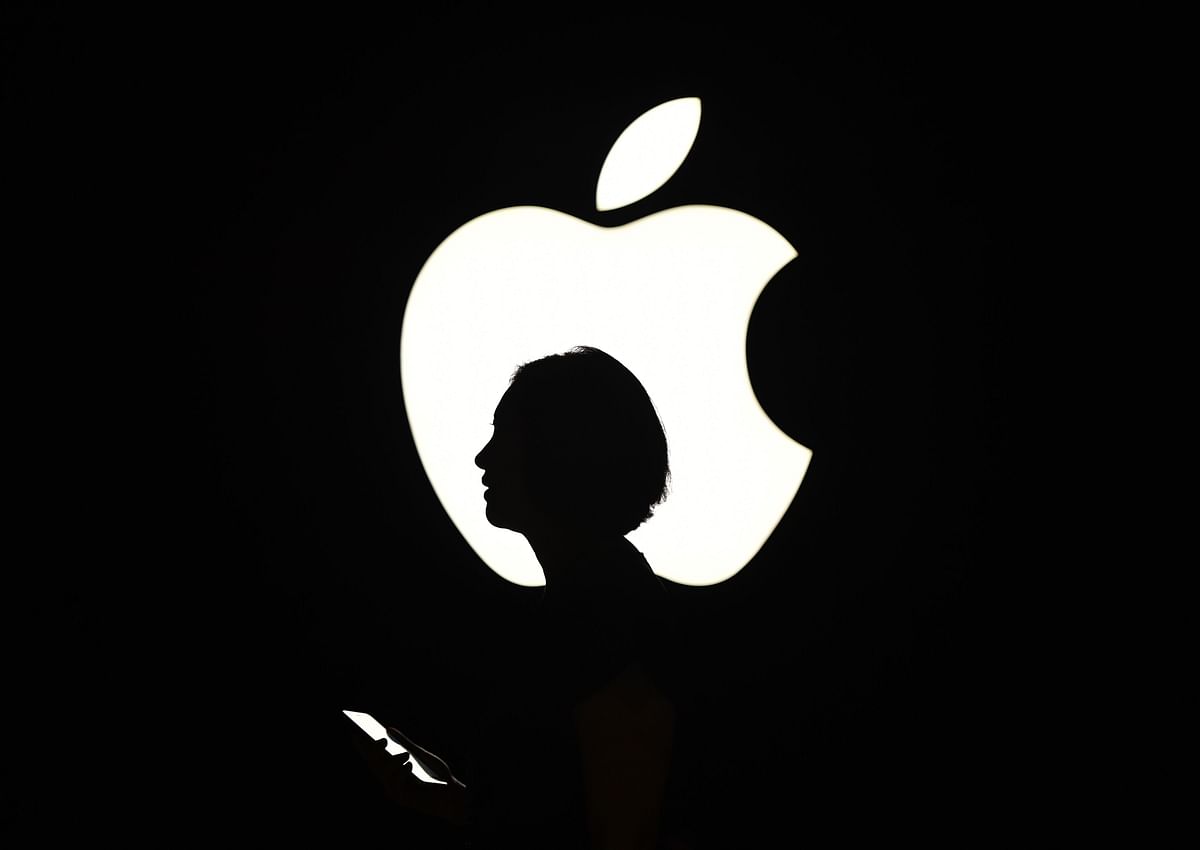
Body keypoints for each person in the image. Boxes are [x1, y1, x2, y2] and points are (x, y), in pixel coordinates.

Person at [354, 346, 678, 849]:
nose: (483, 456)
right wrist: (434, 793)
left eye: (504, 433)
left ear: (558, 449)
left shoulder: (608, 621)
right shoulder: (590, 605)